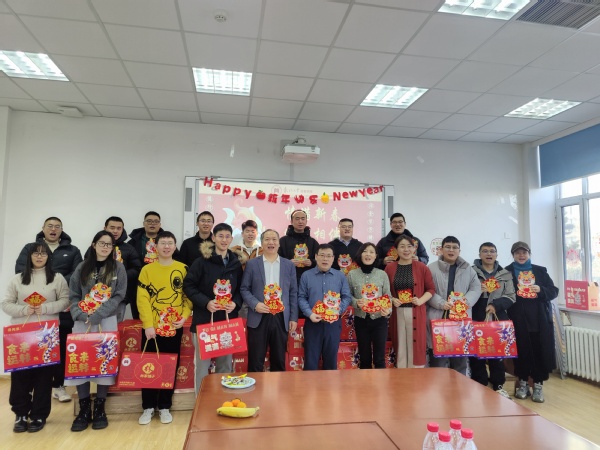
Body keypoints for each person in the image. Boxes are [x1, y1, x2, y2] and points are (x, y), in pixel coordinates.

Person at [3, 242, 70, 433]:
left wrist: (45, 308)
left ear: (49, 257)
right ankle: (20, 414)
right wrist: (24, 310)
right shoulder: (17, 279)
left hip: (46, 335)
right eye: (36, 253)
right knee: (20, 376)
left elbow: (65, 301)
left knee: (44, 377)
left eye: (43, 253)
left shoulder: (57, 278)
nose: (39, 257)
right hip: (21, 336)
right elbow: (6, 303)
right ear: (29, 256)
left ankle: (39, 415)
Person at [15, 217, 83, 404]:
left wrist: (54, 284)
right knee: (34, 348)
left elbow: (77, 274)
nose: (53, 229)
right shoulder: (30, 248)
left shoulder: (72, 250)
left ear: (62, 230)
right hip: (34, 307)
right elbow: (20, 271)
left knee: (59, 347)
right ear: (43, 228)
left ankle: (58, 386)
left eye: (57, 227)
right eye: (50, 226)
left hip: (63, 305)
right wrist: (42, 289)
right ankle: (30, 389)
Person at [67, 231, 127, 432]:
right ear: (94, 245)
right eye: (102, 243)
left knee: (104, 361)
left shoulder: (118, 267)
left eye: (109, 244)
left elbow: (119, 295)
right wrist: (79, 313)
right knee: (81, 363)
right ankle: (84, 408)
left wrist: (99, 314)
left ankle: (100, 407)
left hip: (106, 320)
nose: (105, 247)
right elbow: (73, 294)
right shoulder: (82, 267)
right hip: (82, 320)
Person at [137, 231, 192, 425]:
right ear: (156, 247)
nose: (166, 246)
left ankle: (165, 406)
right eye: (163, 243)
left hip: (174, 327)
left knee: (170, 365)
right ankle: (148, 407)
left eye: (170, 243)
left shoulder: (183, 268)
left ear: (175, 246)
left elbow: (187, 297)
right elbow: (142, 299)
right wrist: (148, 325)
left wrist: (184, 317)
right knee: (149, 366)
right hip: (152, 329)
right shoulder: (147, 270)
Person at [183, 223, 244, 394]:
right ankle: (201, 403)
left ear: (231, 239)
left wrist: (235, 303)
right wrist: (206, 302)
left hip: (227, 322)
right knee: (202, 367)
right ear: (213, 238)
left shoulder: (235, 263)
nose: (224, 240)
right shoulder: (201, 261)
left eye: (227, 236)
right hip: (204, 321)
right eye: (220, 236)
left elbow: (241, 289)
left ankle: (222, 400)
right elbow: (188, 286)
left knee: (225, 366)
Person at [506, 241, 558, 403]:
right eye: (517, 253)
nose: (521, 255)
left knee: (538, 352)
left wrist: (541, 290)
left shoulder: (540, 271)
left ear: (529, 254)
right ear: (513, 255)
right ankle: (522, 384)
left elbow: (554, 291)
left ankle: (538, 385)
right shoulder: (506, 272)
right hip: (517, 320)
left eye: (524, 252)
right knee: (521, 352)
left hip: (538, 320)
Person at [240, 229, 298, 372]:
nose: (271, 242)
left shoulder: (288, 265)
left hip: (281, 316)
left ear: (279, 243)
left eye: (274, 239)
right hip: (258, 316)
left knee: (279, 359)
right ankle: (255, 386)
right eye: (267, 239)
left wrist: (293, 318)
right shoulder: (252, 264)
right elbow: (244, 289)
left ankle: (278, 386)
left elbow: (293, 293)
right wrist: (255, 304)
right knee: (255, 360)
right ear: (261, 243)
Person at [426, 236, 481, 375]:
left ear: (459, 250)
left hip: (461, 320)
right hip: (438, 317)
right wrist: (441, 303)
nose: (451, 250)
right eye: (448, 247)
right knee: (438, 361)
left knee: (460, 360)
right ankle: (438, 387)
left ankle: (459, 387)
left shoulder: (468, 269)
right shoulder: (431, 268)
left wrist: (464, 303)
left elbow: (476, 288)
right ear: (441, 249)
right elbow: (426, 289)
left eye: (455, 247)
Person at [470, 242, 516, 398]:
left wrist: (495, 305)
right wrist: (478, 291)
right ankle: (480, 385)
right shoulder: (471, 272)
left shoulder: (505, 274)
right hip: (477, 317)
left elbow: (511, 296)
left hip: (498, 318)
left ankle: (498, 386)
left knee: (497, 354)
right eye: (485, 251)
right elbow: (463, 293)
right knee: (477, 354)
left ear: (496, 254)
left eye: (492, 251)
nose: (489, 254)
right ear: (479, 254)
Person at [298, 243, 352, 370]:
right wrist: (310, 314)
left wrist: (337, 311)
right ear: (316, 257)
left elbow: (347, 297)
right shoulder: (306, 275)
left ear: (333, 258)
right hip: (312, 323)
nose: (325, 259)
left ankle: (330, 384)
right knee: (311, 363)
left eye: (328, 256)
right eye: (322, 255)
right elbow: (301, 297)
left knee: (331, 363)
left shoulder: (340, 276)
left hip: (333, 324)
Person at [385, 235, 435, 368]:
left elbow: (431, 289)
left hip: (416, 311)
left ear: (414, 249)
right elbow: (384, 291)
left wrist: (420, 300)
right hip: (397, 312)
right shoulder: (390, 268)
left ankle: (416, 375)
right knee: (400, 343)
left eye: (409, 246)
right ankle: (401, 374)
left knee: (416, 345)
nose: (406, 250)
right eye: (402, 246)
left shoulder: (422, 267)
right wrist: (392, 299)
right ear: (396, 250)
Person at [86, 216, 141, 322]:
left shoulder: (129, 248)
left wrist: (120, 275)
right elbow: (86, 267)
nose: (115, 231)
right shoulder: (95, 247)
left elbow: (137, 269)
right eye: (112, 227)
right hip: (94, 295)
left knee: (115, 326)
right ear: (105, 228)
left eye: (119, 228)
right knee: (94, 325)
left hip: (118, 297)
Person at [346, 242, 391, 369]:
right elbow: (347, 296)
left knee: (379, 358)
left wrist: (388, 310)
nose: (368, 254)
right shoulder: (352, 274)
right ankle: (365, 382)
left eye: (371, 252)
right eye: (365, 251)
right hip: (361, 320)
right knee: (364, 358)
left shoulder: (382, 274)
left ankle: (380, 382)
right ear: (360, 254)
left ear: (376, 256)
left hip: (379, 319)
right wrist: (356, 302)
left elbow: (388, 295)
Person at [278, 209, 320, 285]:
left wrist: (312, 262)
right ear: (291, 221)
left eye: (303, 219)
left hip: (309, 280)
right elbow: (276, 259)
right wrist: (288, 262)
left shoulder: (313, 242)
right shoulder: (282, 241)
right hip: (287, 279)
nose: (300, 221)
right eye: (297, 219)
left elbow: (320, 259)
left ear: (306, 221)